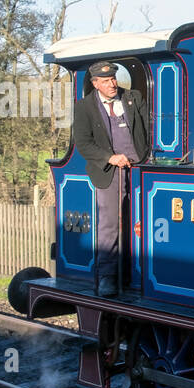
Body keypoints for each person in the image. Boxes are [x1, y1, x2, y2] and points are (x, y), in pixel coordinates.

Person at [71, 60, 151, 296]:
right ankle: (107, 276)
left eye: (113, 79)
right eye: (105, 81)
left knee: (139, 224)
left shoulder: (133, 98)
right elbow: (84, 144)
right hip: (109, 172)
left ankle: (137, 272)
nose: (112, 84)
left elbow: (149, 126)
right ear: (95, 84)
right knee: (110, 225)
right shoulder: (84, 107)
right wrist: (110, 157)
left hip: (139, 168)